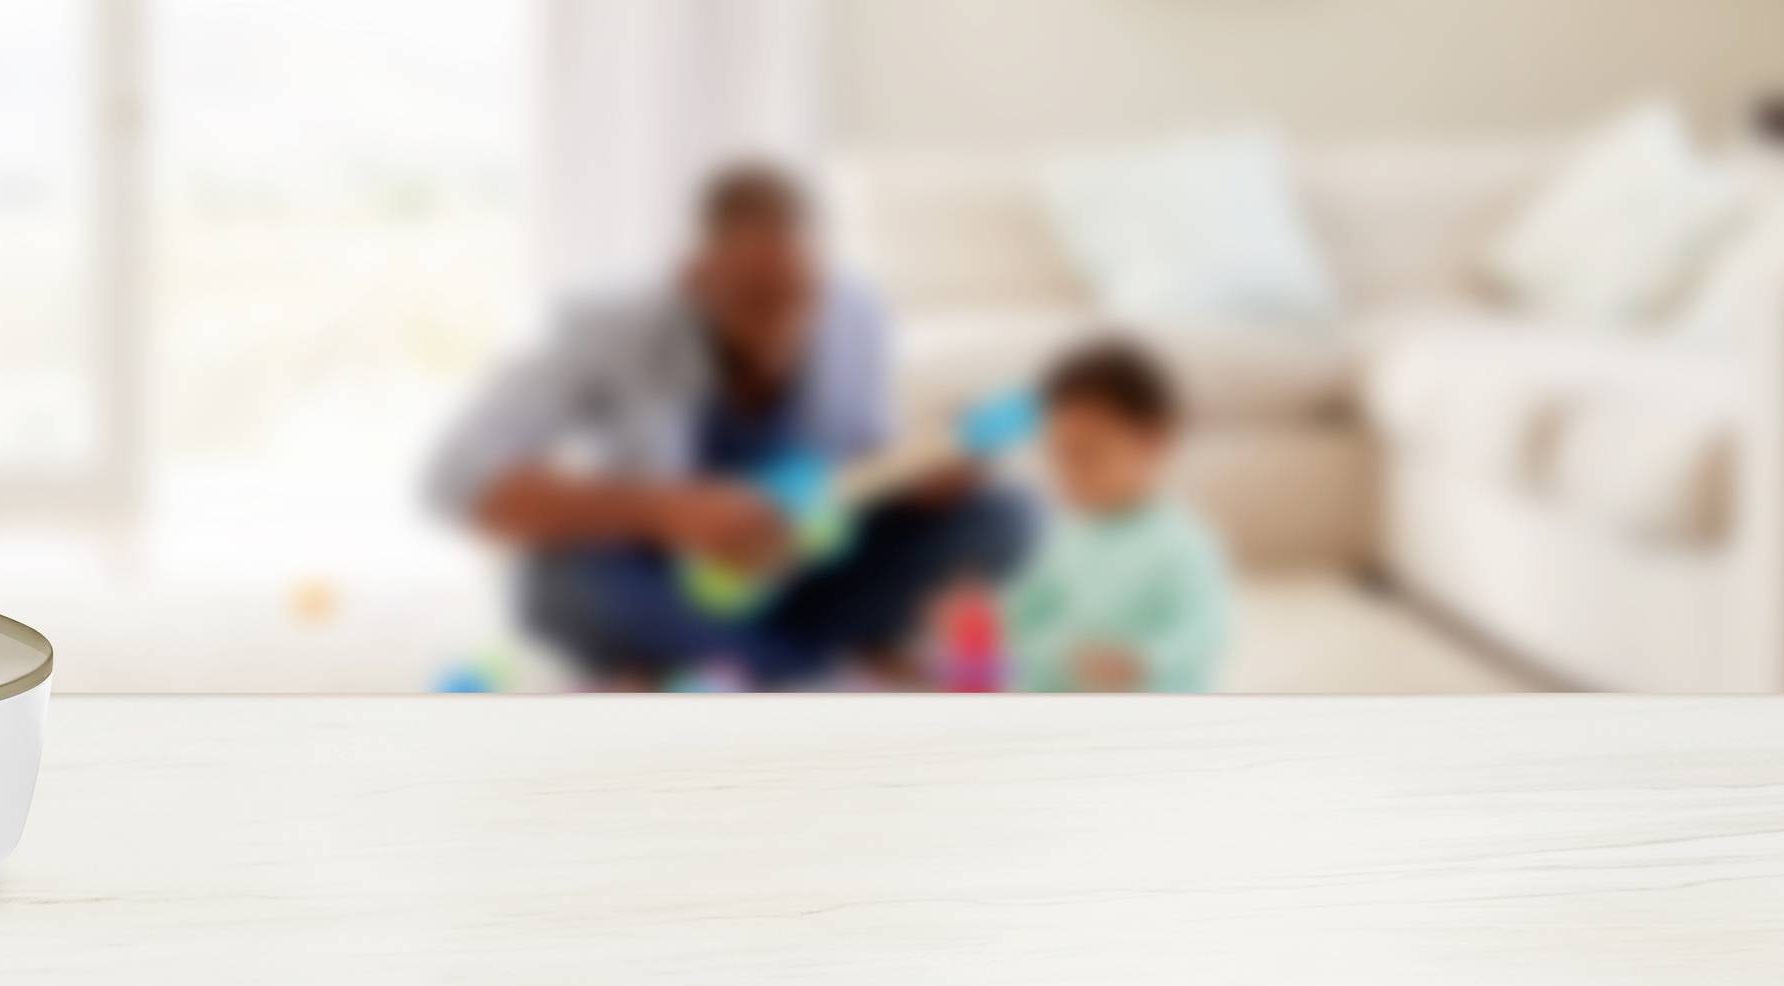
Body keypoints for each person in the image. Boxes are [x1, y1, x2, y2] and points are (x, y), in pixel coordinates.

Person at [426, 164, 1030, 688]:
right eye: (753, 298)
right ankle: (796, 666)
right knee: (551, 580)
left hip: (806, 570)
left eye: (799, 296)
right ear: (697, 275)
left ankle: (735, 664)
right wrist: (663, 510)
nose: (781, 328)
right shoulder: (610, 325)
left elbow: (855, 472)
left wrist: (919, 477)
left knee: (1004, 515)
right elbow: (454, 476)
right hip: (665, 574)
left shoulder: (854, 312)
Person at [1000, 339, 1231, 692]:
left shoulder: (1181, 544)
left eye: (1088, 453)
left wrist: (1144, 661)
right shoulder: (1064, 533)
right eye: (1060, 455)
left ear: (1152, 441)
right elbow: (1028, 610)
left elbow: (1201, 633)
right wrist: (993, 622)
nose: (1070, 472)